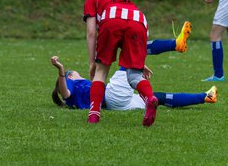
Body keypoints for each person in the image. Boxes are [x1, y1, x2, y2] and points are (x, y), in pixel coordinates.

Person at [83, 0, 159, 126]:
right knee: (133, 75)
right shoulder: (128, 2)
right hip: (140, 20)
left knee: (100, 72)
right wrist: (138, 62)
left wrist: (92, 62)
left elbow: (92, 32)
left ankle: (94, 115)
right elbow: (127, 26)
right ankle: (150, 98)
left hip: (111, 19)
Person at [51, 56, 217, 110]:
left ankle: (205, 96)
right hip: (112, 96)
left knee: (158, 98)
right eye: (74, 72)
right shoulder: (69, 83)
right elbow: (65, 92)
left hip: (117, 104)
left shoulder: (75, 85)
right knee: (127, 61)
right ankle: (174, 44)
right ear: (70, 76)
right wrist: (61, 70)